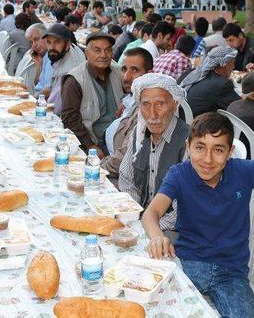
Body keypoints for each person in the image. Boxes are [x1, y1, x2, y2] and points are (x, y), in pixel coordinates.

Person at [142, 111, 254, 318]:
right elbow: (151, 213)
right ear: (188, 147)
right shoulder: (179, 174)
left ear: (230, 152)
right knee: (158, 308)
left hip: (231, 272)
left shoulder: (243, 171)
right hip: (188, 262)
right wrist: (157, 235)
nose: (208, 159)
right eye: (200, 148)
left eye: (218, 150)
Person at [119, 73, 189, 238]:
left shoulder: (188, 142)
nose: (152, 114)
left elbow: (183, 210)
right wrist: (134, 215)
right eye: (145, 105)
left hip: (173, 228)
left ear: (174, 104)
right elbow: (127, 180)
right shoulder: (139, 133)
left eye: (160, 104)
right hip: (142, 218)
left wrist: (147, 227)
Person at [61, 32, 124, 158]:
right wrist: (90, 145)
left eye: (107, 50)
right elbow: (70, 119)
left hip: (120, 136)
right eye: (97, 50)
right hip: (95, 142)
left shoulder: (118, 70)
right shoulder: (75, 80)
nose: (103, 55)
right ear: (86, 53)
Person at [102, 47, 153, 178]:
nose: (126, 77)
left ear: (149, 73)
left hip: (119, 177)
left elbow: (123, 159)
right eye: (124, 69)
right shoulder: (131, 99)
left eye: (134, 70)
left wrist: (96, 168)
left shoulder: (148, 109)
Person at [38, 23, 86, 114]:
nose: (52, 47)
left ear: (67, 44)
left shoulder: (66, 73)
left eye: (57, 42)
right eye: (49, 42)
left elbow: (53, 109)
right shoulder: (71, 49)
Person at [181, 46, 240, 117]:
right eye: (232, 63)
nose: (233, 66)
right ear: (224, 65)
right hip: (200, 125)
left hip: (183, 119)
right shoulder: (222, 84)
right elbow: (239, 108)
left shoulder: (191, 74)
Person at [15, 23, 47, 94]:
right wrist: (38, 65)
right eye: (31, 42)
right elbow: (37, 86)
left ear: (47, 37)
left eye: (36, 39)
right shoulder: (31, 57)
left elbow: (48, 90)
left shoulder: (53, 55)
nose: (34, 45)